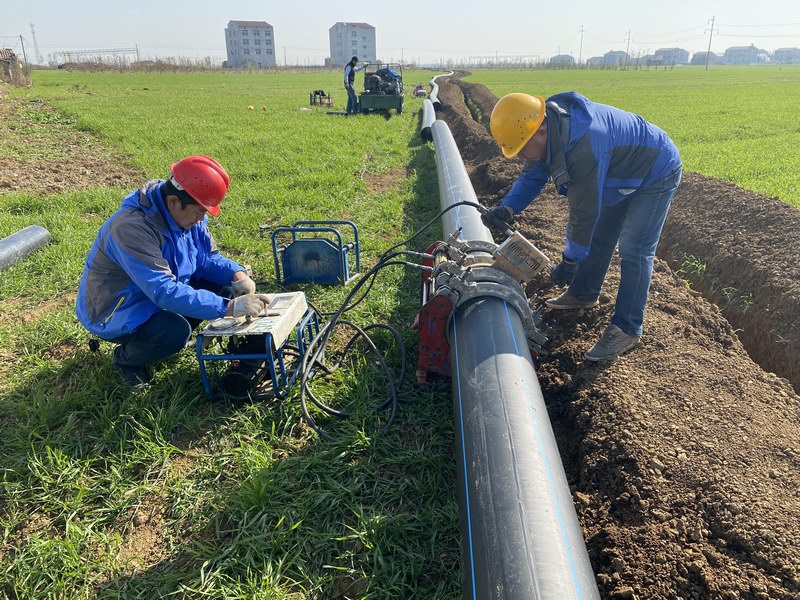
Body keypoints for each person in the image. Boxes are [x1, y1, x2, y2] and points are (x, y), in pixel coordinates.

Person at [481, 92, 682, 361]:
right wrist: (508, 207)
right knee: (600, 235)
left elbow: (584, 213)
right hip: (617, 172)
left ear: (540, 132)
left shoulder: (583, 147)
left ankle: (627, 328)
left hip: (654, 171)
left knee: (635, 249)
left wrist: (570, 261)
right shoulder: (547, 128)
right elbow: (533, 174)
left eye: (521, 150)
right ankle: (583, 293)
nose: (519, 158)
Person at [76, 155, 269, 387]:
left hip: (153, 292)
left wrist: (236, 274)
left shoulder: (187, 216)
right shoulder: (131, 228)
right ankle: (126, 360)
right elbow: (163, 291)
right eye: (199, 212)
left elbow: (205, 258)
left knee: (226, 287)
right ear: (173, 202)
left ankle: (166, 338)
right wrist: (226, 308)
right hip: (117, 309)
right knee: (174, 331)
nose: (202, 220)